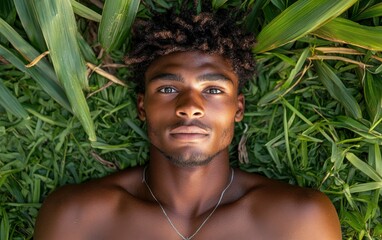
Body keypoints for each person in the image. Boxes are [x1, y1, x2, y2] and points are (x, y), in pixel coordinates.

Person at [34, 7, 342, 240]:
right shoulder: (76, 218)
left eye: (213, 90)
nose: (190, 108)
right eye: (168, 89)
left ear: (238, 108)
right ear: (142, 106)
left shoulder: (300, 221)